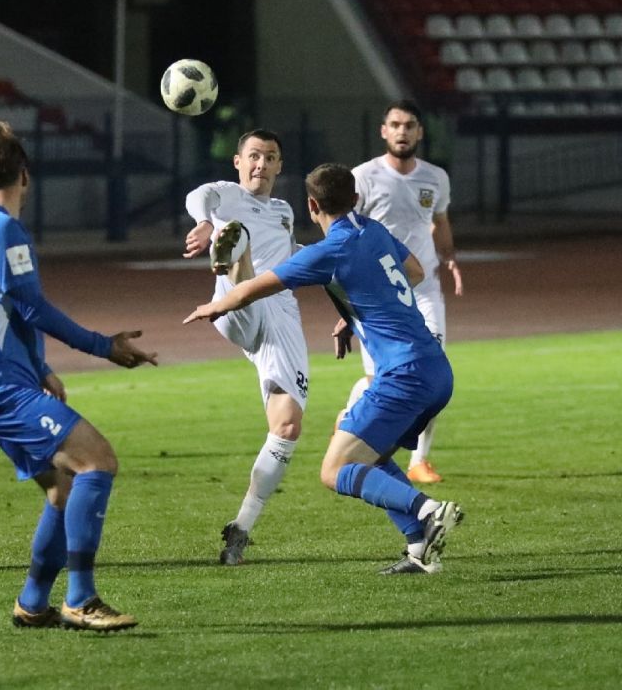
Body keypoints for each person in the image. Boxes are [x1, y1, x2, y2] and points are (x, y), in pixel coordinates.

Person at [185, 163, 464, 574]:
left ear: (312, 206)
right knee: (365, 449)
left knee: (335, 470)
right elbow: (415, 272)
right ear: (356, 199)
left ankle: (428, 510)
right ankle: (419, 547)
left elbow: (252, 289)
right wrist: (356, 312)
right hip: (435, 369)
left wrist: (213, 306)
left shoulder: (328, 252)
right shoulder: (373, 229)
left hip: (403, 375)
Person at [0, 120, 156, 630]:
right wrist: (103, 346)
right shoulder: (4, 231)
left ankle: (32, 602)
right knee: (97, 462)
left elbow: (6, 311)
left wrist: (40, 367)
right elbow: (33, 308)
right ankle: (81, 599)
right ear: (24, 175)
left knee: (63, 490)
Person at [182, 129, 309, 565]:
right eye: (253, 156)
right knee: (237, 236)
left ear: (279, 166)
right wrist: (205, 222)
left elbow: (293, 254)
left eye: (270, 157)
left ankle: (241, 528)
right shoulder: (226, 195)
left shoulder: (284, 211)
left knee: (287, 426)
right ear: (238, 162)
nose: (261, 164)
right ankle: (232, 256)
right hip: (235, 302)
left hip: (280, 313)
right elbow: (198, 196)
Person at [342, 100, 463, 484]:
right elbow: (348, 231)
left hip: (424, 290)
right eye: (395, 124)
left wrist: (450, 258)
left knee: (432, 372)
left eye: (409, 125)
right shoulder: (363, 177)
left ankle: (419, 461)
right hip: (377, 296)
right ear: (384, 131)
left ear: (419, 132)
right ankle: (350, 418)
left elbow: (439, 220)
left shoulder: (436, 177)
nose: (402, 131)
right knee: (381, 379)